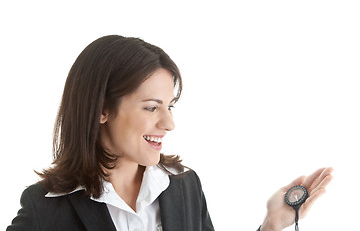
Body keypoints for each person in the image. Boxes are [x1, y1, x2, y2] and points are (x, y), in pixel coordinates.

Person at [7, 35, 333, 231]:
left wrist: (272, 224)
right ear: (101, 110)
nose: (169, 123)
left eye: (170, 106)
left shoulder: (184, 185)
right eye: (151, 107)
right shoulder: (45, 209)